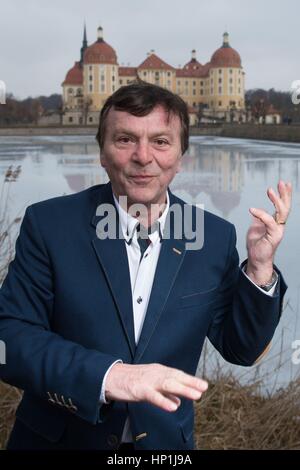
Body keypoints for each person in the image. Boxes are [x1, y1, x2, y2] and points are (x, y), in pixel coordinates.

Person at [0, 82, 292, 451]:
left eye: (160, 141)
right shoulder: (50, 225)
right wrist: (107, 377)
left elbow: (242, 350)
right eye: (124, 140)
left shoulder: (213, 237)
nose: (143, 156)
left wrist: (260, 269)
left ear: (181, 156)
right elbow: (9, 339)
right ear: (102, 154)